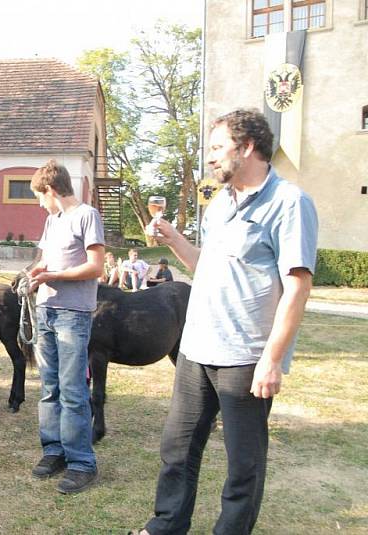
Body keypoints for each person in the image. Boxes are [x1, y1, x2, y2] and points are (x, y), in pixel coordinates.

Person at [134, 109, 318, 535]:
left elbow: (297, 287)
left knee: (243, 464)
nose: (210, 158)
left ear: (247, 146)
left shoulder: (289, 203)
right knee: (176, 450)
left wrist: (272, 360)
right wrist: (174, 240)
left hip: (245, 358)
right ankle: (165, 526)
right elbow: (207, 266)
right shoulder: (220, 203)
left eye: (217, 148)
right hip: (196, 349)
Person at [26, 159, 105, 494]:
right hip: (46, 310)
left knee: (72, 390)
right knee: (49, 387)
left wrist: (53, 276)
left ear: (52, 190)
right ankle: (54, 450)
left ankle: (81, 462)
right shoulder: (52, 220)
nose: (39, 203)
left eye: (40, 196)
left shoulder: (87, 215)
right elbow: (45, 260)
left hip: (73, 313)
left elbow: (95, 267)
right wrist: (35, 272)